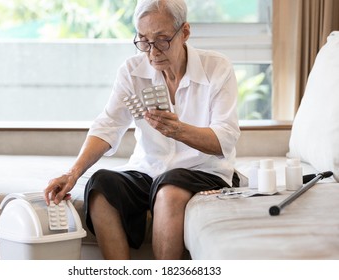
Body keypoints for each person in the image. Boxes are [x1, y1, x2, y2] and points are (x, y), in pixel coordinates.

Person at [44, 0, 240, 260]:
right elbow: (108, 125)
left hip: (203, 171)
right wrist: (72, 173)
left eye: (161, 40)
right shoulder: (131, 71)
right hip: (149, 171)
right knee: (100, 185)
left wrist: (178, 130)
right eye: (143, 41)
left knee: (168, 190)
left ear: (184, 32)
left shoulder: (217, 68)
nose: (152, 52)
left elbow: (224, 139)